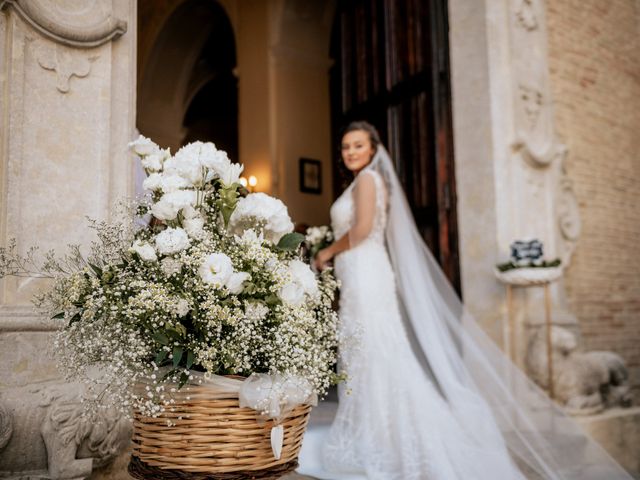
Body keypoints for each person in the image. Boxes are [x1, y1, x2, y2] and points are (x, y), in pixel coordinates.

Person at [296, 121, 632, 480]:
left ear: (373, 149)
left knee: (374, 350)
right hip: (363, 273)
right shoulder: (367, 181)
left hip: (365, 273)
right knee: (370, 351)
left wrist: (325, 252)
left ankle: (386, 436)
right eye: (346, 146)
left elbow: (361, 230)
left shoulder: (366, 181)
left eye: (358, 145)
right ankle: (378, 431)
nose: (350, 152)